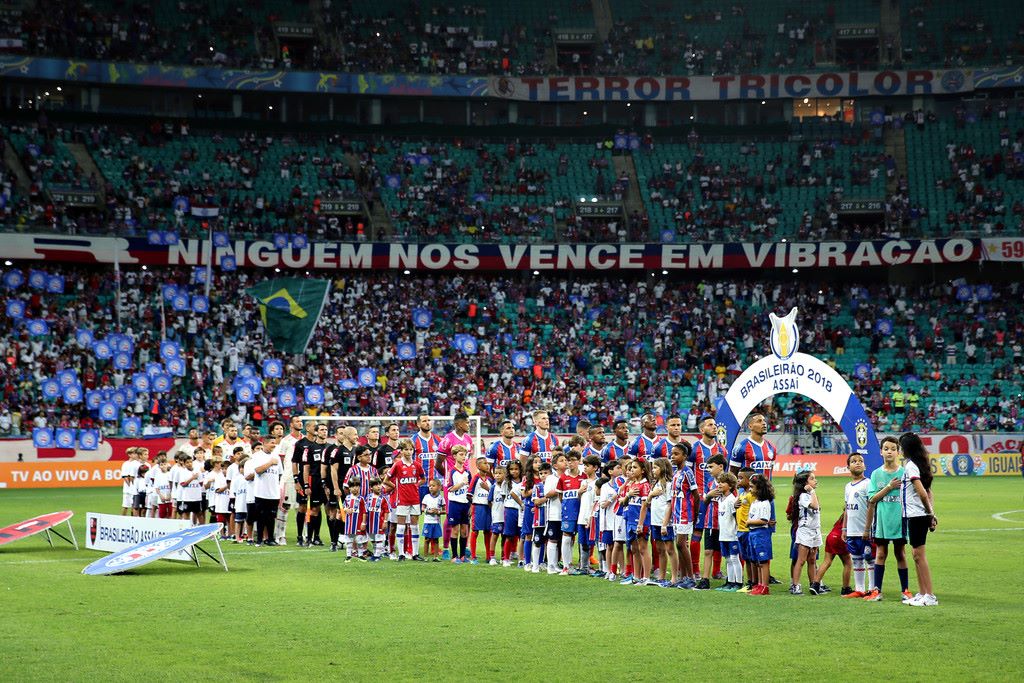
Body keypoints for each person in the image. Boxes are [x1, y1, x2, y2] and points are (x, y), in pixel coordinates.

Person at [879, 432, 938, 606]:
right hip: (915, 514)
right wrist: (931, 512)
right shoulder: (918, 464)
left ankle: (930, 595)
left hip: (917, 515)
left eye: (901, 446)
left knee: (919, 555)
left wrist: (930, 514)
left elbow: (921, 492)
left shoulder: (911, 466)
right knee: (916, 555)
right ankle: (922, 593)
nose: (900, 449)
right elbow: (928, 492)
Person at [863, 436, 911, 601]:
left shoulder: (904, 473)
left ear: (898, 452)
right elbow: (872, 499)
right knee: (881, 554)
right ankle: (877, 590)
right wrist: (889, 487)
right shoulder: (876, 474)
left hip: (900, 521)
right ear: (881, 452)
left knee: (901, 554)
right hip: (882, 521)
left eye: (892, 449)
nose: (889, 452)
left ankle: (905, 590)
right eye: (886, 449)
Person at [690, 414, 727, 586]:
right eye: (710, 425)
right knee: (697, 532)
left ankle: (716, 570)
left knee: (720, 532)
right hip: (700, 499)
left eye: (714, 425)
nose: (714, 427)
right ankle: (696, 570)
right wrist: (696, 495)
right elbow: (689, 473)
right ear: (701, 429)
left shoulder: (722, 450)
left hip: (720, 500)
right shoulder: (694, 449)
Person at [437, 412, 475, 559]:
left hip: (465, 483)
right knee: (450, 515)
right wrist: (448, 477)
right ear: (459, 424)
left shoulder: (468, 440)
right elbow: (438, 463)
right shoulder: (447, 439)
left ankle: (464, 548)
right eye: (467, 422)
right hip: (452, 484)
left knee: (466, 515)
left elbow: (467, 463)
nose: (469, 425)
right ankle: (446, 548)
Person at [384, 438, 426, 561]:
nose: (409, 452)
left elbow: (423, 479)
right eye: (406, 449)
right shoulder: (397, 465)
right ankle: (401, 553)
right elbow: (386, 480)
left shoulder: (417, 465)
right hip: (402, 500)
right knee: (401, 526)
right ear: (401, 451)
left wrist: (416, 485)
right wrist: (395, 486)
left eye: (411, 449)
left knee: (414, 526)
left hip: (415, 500)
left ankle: (415, 553)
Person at [841, 453, 873, 598]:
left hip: (865, 530)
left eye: (861, 461)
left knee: (869, 558)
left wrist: (869, 527)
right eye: (854, 461)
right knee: (856, 559)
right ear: (848, 467)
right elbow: (847, 508)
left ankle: (873, 589)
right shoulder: (848, 486)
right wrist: (844, 528)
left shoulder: (868, 483)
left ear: (865, 465)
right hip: (852, 530)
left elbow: (871, 506)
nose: (858, 463)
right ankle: (859, 589)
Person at [694, 453, 727, 590]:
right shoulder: (709, 483)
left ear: (720, 467)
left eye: (711, 467)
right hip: (710, 522)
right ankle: (705, 579)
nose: (708, 470)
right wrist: (708, 495)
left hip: (726, 523)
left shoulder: (730, 482)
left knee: (730, 552)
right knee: (708, 551)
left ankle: (734, 579)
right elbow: (706, 502)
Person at [618, 459, 652, 585]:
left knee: (643, 548)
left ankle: (646, 577)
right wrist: (627, 495)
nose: (632, 469)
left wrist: (641, 524)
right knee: (634, 549)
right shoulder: (632, 485)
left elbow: (644, 506)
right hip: (630, 519)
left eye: (635, 467)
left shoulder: (645, 485)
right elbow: (624, 502)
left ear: (643, 470)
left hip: (639, 520)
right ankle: (636, 576)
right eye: (631, 467)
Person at [669, 443, 698, 588]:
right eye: (672, 453)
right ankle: (682, 577)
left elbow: (696, 495)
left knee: (681, 543)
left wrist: (696, 514)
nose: (672, 456)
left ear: (685, 456)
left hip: (685, 513)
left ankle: (691, 578)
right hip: (676, 513)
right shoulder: (676, 473)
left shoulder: (688, 472)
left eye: (676, 454)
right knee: (679, 545)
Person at [789, 471, 821, 595]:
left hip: (815, 530)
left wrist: (813, 493)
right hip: (805, 530)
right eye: (812, 479)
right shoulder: (804, 496)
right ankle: (796, 585)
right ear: (806, 483)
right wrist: (812, 491)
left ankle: (813, 585)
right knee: (801, 560)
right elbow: (815, 506)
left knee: (812, 560)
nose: (815, 480)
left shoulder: (811, 495)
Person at [556, 451, 587, 576]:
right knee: (567, 535)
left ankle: (583, 565)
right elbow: (560, 496)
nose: (570, 463)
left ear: (579, 461)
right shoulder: (563, 477)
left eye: (573, 460)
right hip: (569, 511)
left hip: (583, 510)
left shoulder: (584, 476)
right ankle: (566, 566)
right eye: (568, 460)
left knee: (582, 538)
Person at [648, 457, 675, 587]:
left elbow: (669, 505)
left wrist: (665, 524)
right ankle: (662, 577)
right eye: (652, 467)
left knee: (670, 549)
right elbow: (648, 503)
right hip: (655, 521)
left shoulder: (668, 484)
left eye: (655, 467)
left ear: (663, 468)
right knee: (660, 550)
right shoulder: (655, 484)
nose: (653, 470)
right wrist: (651, 494)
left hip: (665, 523)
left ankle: (674, 578)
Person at [746, 474, 775, 595]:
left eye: (752, 487)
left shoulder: (764, 503)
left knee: (763, 561)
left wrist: (749, 522)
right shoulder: (755, 502)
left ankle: (765, 586)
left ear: (759, 488)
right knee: (757, 561)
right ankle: (759, 584)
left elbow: (764, 520)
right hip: (753, 533)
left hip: (761, 534)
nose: (750, 489)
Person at [810, 514, 852, 596]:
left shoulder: (843, 515)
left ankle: (815, 585)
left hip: (831, 536)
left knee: (827, 561)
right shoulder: (853, 515)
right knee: (848, 563)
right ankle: (846, 588)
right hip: (841, 538)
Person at [252, 439, 282, 547]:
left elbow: (279, 474)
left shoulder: (276, 457)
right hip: (261, 492)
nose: (274, 445)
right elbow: (258, 470)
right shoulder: (257, 456)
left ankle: (270, 539)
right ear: (264, 443)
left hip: (274, 493)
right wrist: (270, 463)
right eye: (271, 442)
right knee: (261, 517)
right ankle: (259, 539)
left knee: (271, 517)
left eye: (274, 443)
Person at [444, 445, 472, 563]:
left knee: (465, 530)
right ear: (454, 456)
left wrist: (471, 505)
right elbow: (450, 488)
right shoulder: (452, 472)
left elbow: (470, 491)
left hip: (465, 504)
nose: (464, 457)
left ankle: (462, 556)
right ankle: (454, 556)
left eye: (465, 455)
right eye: (461, 454)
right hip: (455, 503)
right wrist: (461, 483)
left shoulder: (467, 472)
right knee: (455, 529)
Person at [715, 472, 742, 591]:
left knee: (735, 558)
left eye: (722, 482)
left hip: (732, 535)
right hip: (723, 535)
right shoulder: (720, 499)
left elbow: (736, 517)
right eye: (719, 482)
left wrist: (737, 532)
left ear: (730, 486)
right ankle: (730, 582)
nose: (719, 484)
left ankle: (739, 582)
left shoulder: (732, 500)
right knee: (728, 559)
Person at [467, 457, 494, 565]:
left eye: (487, 463)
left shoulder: (490, 480)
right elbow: (469, 494)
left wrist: (488, 489)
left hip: (488, 507)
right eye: (484, 463)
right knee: (475, 531)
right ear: (478, 466)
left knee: (488, 531)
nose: (487, 465)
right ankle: (473, 556)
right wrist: (471, 506)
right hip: (478, 507)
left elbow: (493, 493)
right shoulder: (476, 478)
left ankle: (488, 556)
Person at [412, 415, 443, 501]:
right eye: (424, 421)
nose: (427, 423)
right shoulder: (413, 440)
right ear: (418, 424)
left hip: (434, 483)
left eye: (429, 420)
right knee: (418, 511)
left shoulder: (437, 439)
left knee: (434, 511)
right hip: (419, 483)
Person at [359, 479, 392, 561]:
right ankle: (376, 553)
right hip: (370, 524)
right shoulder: (368, 497)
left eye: (379, 484)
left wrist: (385, 521)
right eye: (376, 485)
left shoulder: (383, 499)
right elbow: (364, 510)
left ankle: (377, 555)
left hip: (379, 523)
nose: (378, 486)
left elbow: (386, 511)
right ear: (371, 488)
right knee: (373, 539)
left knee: (379, 539)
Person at [487, 466, 507, 566]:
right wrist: (494, 510)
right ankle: (492, 557)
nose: (497, 475)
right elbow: (489, 501)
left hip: (506, 516)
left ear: (505, 475)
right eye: (496, 473)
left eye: (500, 473)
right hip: (497, 516)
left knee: (505, 536)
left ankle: (504, 557)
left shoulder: (507, 486)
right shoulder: (493, 487)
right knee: (495, 535)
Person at [421, 479, 445, 560]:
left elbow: (445, 510)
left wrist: (438, 512)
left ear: (439, 487)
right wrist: (428, 511)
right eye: (430, 486)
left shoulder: (441, 498)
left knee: (436, 539)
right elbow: (422, 508)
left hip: (436, 522)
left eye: (433, 486)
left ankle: (436, 556)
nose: (431, 487)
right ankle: (425, 556)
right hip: (428, 522)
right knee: (427, 539)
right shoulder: (426, 497)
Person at [341, 480, 364, 561]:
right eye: (352, 487)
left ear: (360, 487)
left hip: (358, 523)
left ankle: (360, 555)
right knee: (349, 540)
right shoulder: (347, 498)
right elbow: (343, 508)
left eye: (357, 486)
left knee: (359, 540)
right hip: (349, 523)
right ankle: (348, 555)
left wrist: (364, 522)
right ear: (349, 488)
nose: (355, 488)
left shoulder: (362, 499)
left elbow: (364, 512)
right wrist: (346, 509)